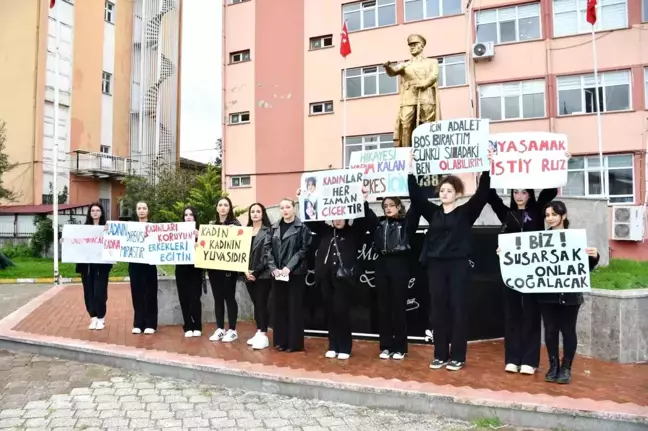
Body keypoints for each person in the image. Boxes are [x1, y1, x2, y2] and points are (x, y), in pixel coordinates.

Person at [408, 150, 492, 371]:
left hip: (458, 266)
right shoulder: (433, 213)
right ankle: (440, 354)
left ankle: (458, 356)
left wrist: (488, 165)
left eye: (449, 190)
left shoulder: (465, 213)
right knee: (438, 310)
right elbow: (416, 196)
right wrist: (410, 167)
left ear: (457, 194)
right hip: (436, 266)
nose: (444, 193)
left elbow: (482, 194)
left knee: (457, 309)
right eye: (442, 190)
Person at [488, 187, 557, 375]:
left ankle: (529, 360)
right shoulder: (507, 213)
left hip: (533, 272)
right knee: (511, 314)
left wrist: (562, 159)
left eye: (524, 192)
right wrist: (488, 168)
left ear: (530, 194)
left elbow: (550, 191)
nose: (519, 196)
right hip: (510, 271)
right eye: (515, 192)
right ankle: (512, 358)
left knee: (531, 314)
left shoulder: (537, 210)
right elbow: (490, 196)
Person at [301, 188, 374, 360]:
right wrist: (305, 198)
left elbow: (367, 221)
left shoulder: (353, 231)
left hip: (343, 279)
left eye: (341, 216)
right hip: (325, 278)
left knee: (341, 312)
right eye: (335, 216)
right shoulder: (326, 231)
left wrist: (363, 199)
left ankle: (345, 347)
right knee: (329, 312)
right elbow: (310, 220)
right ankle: (333, 345)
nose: (338, 220)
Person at [538, 200, 599, 385]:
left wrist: (594, 256)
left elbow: (583, 267)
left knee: (568, 331)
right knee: (550, 331)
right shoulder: (539, 241)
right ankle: (553, 365)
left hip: (569, 294)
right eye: (547, 215)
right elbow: (529, 264)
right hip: (547, 294)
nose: (550, 218)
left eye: (554, 215)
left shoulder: (574, 238)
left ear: (563, 216)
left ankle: (566, 368)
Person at [365, 196, 420, 360]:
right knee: (383, 308)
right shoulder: (379, 223)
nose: (388, 208)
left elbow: (417, 207)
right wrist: (363, 197)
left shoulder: (406, 223)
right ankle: (386, 346)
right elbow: (366, 214)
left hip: (399, 263)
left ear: (398, 207)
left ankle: (400, 347)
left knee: (398, 308)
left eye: (391, 205)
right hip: (382, 264)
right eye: (385, 206)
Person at [264, 198, 312, 352]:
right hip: (277, 274)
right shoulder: (274, 227)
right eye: (282, 207)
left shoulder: (302, 227)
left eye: (288, 207)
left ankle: (294, 343)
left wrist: (288, 267)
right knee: (280, 307)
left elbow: (304, 249)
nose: (285, 210)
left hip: (295, 274)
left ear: (294, 208)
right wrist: (273, 268)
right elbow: (267, 249)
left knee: (294, 308)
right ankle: (280, 341)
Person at [207, 197, 241, 343]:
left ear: (230, 208)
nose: (222, 208)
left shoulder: (236, 225)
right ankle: (220, 328)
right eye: (220, 205)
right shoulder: (211, 226)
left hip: (229, 270)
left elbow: (241, 244)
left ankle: (232, 330)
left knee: (229, 298)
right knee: (218, 299)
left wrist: (237, 232)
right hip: (214, 269)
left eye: (226, 205)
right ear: (216, 208)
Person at [76, 203, 112, 331]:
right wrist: (64, 241)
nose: (95, 212)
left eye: (98, 210)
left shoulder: (107, 228)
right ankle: (93, 318)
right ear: (90, 213)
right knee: (89, 292)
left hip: (101, 267)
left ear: (101, 213)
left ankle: (101, 318)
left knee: (100, 293)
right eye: (93, 210)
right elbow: (74, 242)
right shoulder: (83, 229)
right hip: (87, 267)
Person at [245, 203, 272, 350]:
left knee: (262, 303)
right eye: (252, 211)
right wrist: (245, 271)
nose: (255, 214)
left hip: (263, 274)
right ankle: (258, 331)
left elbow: (268, 255)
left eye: (258, 211)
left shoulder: (268, 231)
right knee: (255, 303)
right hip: (247, 273)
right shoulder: (245, 231)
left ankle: (263, 333)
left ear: (263, 213)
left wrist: (255, 272)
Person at [129, 201, 158, 335]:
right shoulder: (130, 227)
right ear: (136, 211)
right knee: (137, 294)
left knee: (150, 293)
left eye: (144, 208)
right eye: (139, 208)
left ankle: (151, 323)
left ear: (148, 211)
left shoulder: (154, 227)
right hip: (134, 265)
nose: (141, 210)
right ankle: (138, 323)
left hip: (150, 264)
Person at [175, 206, 203, 338]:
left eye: (191, 214)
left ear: (195, 217)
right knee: (184, 298)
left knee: (195, 298)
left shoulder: (201, 232)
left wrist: (201, 238)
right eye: (186, 215)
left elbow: (207, 249)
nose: (188, 217)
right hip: (181, 268)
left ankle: (197, 325)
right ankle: (187, 325)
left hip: (196, 268)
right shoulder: (176, 232)